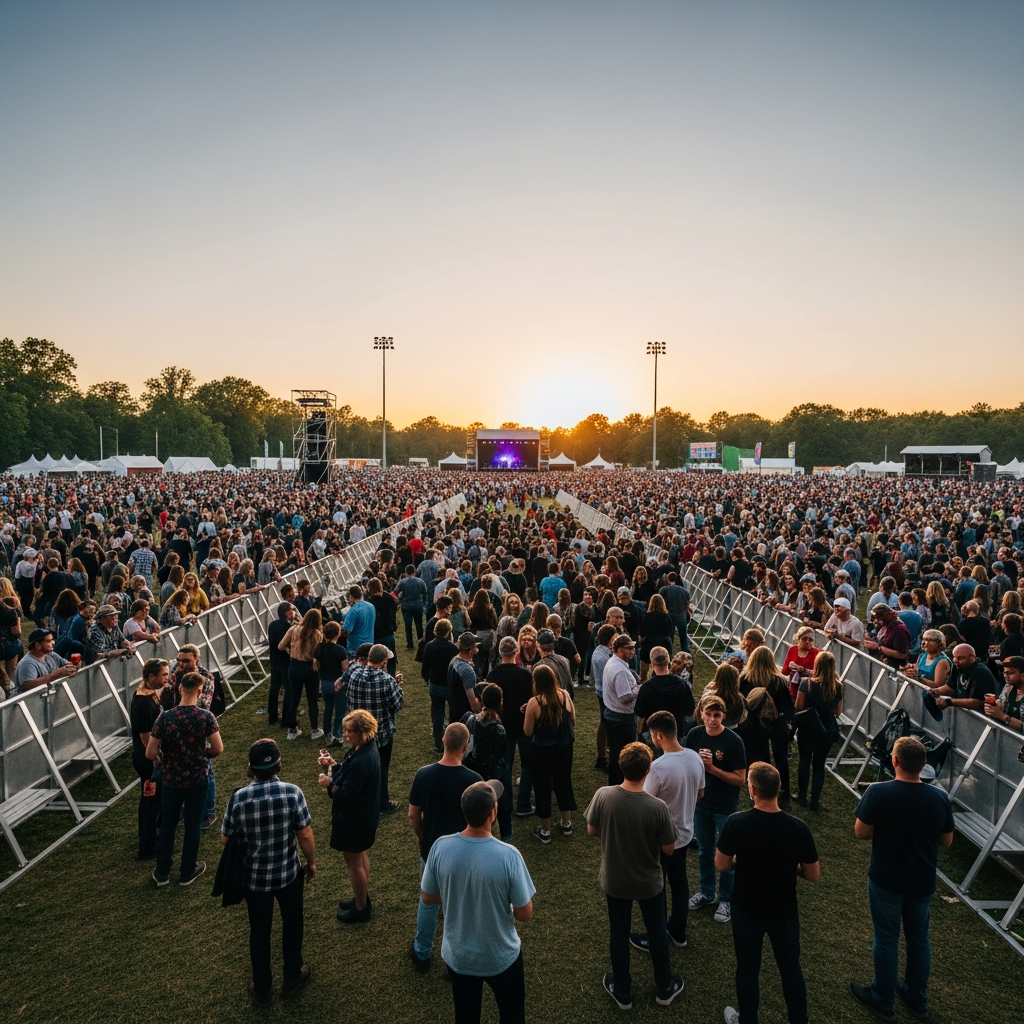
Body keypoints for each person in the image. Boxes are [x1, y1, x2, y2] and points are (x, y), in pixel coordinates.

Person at [850, 737, 954, 1022]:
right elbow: (946, 841)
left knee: (886, 938)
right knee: (919, 938)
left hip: (886, 879)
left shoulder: (878, 791)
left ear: (894, 761)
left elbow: (861, 832)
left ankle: (883, 999)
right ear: (924, 765)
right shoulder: (939, 797)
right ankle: (916, 997)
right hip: (922, 880)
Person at [421, 780, 535, 1024]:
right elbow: (524, 913)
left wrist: (456, 893)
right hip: (501, 956)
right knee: (512, 1015)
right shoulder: (509, 855)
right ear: (492, 814)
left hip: (459, 957)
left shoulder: (440, 847)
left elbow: (428, 896)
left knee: (466, 1015)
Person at [586, 741, 685, 1010]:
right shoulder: (657, 807)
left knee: (618, 933)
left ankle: (622, 990)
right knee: (656, 931)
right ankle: (665, 987)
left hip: (615, 879)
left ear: (620, 765)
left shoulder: (604, 795)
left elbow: (592, 830)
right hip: (649, 882)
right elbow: (669, 848)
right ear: (648, 770)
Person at [718, 762, 820, 1024]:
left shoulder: (736, 822)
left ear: (751, 790)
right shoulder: (798, 827)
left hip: (746, 908)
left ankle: (747, 1019)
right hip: (784, 911)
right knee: (790, 969)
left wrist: (742, 861)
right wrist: (789, 864)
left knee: (748, 968)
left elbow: (722, 864)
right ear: (779, 788)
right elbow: (812, 874)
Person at [222, 737, 315, 1004]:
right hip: (288, 874)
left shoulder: (239, 798)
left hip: (254, 879)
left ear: (251, 768)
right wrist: (311, 863)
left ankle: (262, 988)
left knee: (259, 932)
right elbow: (305, 834)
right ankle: (292, 976)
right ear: (279, 764)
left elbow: (226, 838)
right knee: (293, 924)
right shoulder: (292, 792)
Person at [408, 722, 482, 972]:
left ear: (442, 741)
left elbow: (412, 815)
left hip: (431, 850)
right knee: (462, 905)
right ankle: (458, 960)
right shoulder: (474, 781)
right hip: (465, 852)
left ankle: (421, 953)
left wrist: (421, 834)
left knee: (428, 901)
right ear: (465, 746)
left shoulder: (423, 774)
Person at [627, 710, 704, 952]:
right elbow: (700, 793)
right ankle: (678, 930)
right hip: (684, 833)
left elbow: (644, 805)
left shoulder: (658, 768)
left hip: (660, 840)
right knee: (680, 884)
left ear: (658, 735)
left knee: (657, 888)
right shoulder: (695, 758)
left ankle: (655, 935)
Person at [147, 670, 224, 886]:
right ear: (199, 691)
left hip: (172, 778)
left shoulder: (165, 717)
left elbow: (150, 753)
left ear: (180, 688)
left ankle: (162, 873)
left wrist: (165, 759)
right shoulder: (206, 717)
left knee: (168, 826)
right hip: (197, 777)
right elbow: (218, 748)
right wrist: (201, 754)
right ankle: (187, 871)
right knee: (192, 825)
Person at [685, 694, 748, 925]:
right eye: (708, 714)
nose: (712, 719)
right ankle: (707, 892)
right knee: (704, 850)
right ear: (701, 713)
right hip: (701, 805)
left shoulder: (733, 741)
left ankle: (726, 900)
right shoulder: (694, 735)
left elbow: (740, 779)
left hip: (725, 806)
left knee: (727, 854)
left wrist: (712, 769)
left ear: (724, 716)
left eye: (717, 715)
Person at [317, 709, 381, 923]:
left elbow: (345, 795)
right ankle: (361, 897)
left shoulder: (363, 759)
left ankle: (361, 908)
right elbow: (349, 774)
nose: (345, 734)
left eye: (349, 731)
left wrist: (329, 784)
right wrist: (334, 766)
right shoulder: (362, 749)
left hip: (355, 819)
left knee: (354, 862)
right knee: (360, 857)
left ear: (362, 732)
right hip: (363, 816)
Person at [346, 643, 405, 812]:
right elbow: (397, 705)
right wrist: (398, 686)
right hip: (382, 732)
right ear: (384, 661)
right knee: (381, 768)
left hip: (358, 731)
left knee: (360, 766)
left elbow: (349, 700)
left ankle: (360, 798)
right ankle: (382, 802)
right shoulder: (387, 680)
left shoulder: (355, 674)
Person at [523, 664, 576, 843]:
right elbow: (573, 720)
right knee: (563, 781)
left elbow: (528, 731)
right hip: (564, 747)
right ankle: (566, 823)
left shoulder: (534, 702)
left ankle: (545, 831)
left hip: (542, 750)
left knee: (542, 786)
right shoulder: (565, 695)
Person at [486, 636, 536, 817]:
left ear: (500, 653)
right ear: (516, 652)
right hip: (524, 726)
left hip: (501, 727)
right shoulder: (526, 674)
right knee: (528, 766)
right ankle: (523, 804)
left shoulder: (493, 675)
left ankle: (504, 805)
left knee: (504, 767)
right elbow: (533, 696)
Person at [794, 651, 844, 810]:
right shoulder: (838, 686)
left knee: (804, 760)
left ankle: (802, 797)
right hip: (828, 729)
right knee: (819, 765)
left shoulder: (806, 683)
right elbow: (838, 712)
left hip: (809, 727)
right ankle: (814, 802)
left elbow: (798, 707)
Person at [130, 658, 169, 860]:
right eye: (163, 674)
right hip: (147, 760)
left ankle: (148, 837)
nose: (166, 677)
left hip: (146, 758)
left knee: (149, 800)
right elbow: (146, 737)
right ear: (151, 676)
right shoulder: (144, 702)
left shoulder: (147, 693)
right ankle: (147, 847)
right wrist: (156, 758)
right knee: (151, 802)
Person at [462, 683, 512, 840]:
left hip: (471, 772)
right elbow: (501, 758)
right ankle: (506, 835)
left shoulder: (469, 719)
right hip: (492, 775)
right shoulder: (499, 730)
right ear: (500, 702)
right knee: (504, 806)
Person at [921, 642, 998, 722]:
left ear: (972, 658)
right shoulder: (957, 666)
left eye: (960, 658)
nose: (955, 661)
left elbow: (976, 702)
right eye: (954, 657)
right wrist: (936, 691)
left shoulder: (981, 672)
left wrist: (949, 702)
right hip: (965, 716)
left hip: (981, 719)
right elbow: (950, 687)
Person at [279, 608, 323, 741]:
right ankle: (314, 730)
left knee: (294, 698)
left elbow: (281, 646)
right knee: (312, 700)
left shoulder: (293, 629)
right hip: (310, 668)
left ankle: (291, 730)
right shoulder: (317, 634)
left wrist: (290, 650)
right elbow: (319, 654)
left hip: (294, 666)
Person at [633, 646, 696, 739]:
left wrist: (639, 734)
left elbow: (640, 713)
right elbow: (690, 710)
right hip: (675, 733)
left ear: (652, 664)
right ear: (668, 662)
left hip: (654, 735)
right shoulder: (682, 685)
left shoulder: (647, 687)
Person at [603, 634, 640, 786]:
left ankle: (615, 783)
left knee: (615, 752)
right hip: (622, 718)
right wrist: (640, 688)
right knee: (624, 754)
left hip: (612, 714)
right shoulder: (620, 671)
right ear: (619, 650)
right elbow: (625, 697)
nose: (633, 651)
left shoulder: (614, 662)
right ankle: (620, 783)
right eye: (629, 648)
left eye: (633, 648)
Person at [423, 618, 459, 753]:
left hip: (435, 684)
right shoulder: (452, 648)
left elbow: (425, 666)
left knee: (438, 714)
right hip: (449, 685)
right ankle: (453, 742)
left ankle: (438, 743)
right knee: (453, 714)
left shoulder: (429, 646)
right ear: (449, 632)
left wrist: (426, 678)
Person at [11, 627, 77, 696]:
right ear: (38, 645)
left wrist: (75, 664)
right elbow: (27, 686)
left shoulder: (51, 655)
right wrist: (56, 675)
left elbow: (67, 665)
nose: (53, 642)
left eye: (52, 640)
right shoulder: (27, 663)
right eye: (49, 641)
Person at [314, 620, 349, 744]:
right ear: (337, 634)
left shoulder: (319, 647)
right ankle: (337, 735)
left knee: (328, 708)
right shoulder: (340, 650)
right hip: (337, 683)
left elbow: (316, 665)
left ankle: (327, 733)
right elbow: (345, 669)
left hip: (324, 682)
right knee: (340, 709)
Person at [266, 601, 296, 727]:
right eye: (291, 610)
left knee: (274, 689)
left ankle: (272, 717)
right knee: (288, 690)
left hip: (274, 661)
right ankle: (286, 719)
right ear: (287, 613)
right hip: (285, 662)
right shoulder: (288, 628)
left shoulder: (272, 625)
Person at [448, 632, 483, 721]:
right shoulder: (467, 670)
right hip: (466, 717)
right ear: (471, 647)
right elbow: (472, 698)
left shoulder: (454, 660)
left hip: (455, 712)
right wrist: (480, 712)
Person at [985, 655, 1024, 732]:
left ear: (1023, 674)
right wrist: (993, 709)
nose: (1005, 675)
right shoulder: (1009, 686)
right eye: (1004, 672)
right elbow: (1001, 706)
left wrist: (1002, 716)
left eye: (1010, 672)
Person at [396, 563, 429, 648]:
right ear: (415, 571)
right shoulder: (420, 581)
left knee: (408, 625)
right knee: (419, 624)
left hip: (406, 606)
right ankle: (420, 642)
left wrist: (401, 596)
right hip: (418, 605)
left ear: (406, 572)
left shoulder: (402, 582)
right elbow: (425, 591)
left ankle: (410, 644)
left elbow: (396, 591)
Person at [341, 583, 376, 656]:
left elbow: (346, 632)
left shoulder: (353, 611)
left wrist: (341, 627)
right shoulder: (371, 606)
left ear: (351, 596)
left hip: (356, 648)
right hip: (370, 644)